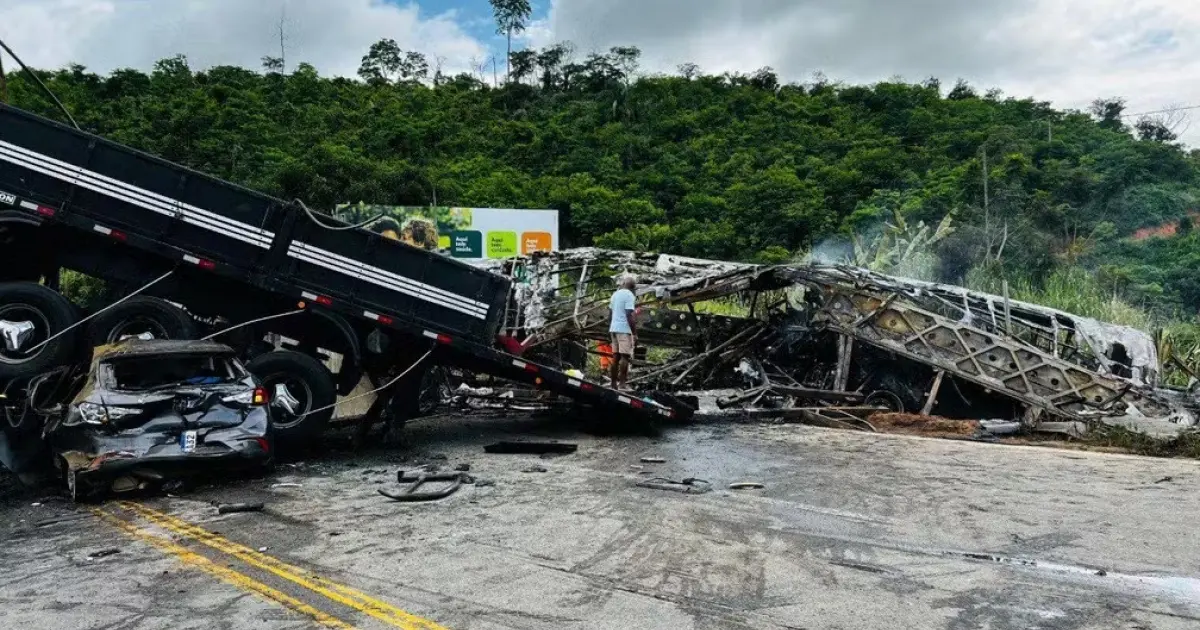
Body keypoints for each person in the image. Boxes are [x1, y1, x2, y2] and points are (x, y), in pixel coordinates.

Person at [608, 275, 638, 390]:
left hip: (614, 328)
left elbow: (610, 314)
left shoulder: (615, 294)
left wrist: (610, 327)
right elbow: (629, 314)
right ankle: (622, 384)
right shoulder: (629, 295)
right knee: (625, 357)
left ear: (623, 284)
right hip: (624, 329)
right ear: (633, 287)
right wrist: (634, 333)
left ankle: (613, 384)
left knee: (615, 357)